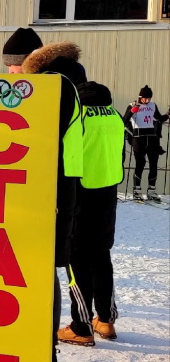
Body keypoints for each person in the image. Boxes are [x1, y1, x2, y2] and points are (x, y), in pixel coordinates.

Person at [19, 39, 86, 362]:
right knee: (43, 273)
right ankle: (45, 357)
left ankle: (43, 357)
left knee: (41, 275)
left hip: (51, 195)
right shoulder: (68, 81)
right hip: (61, 192)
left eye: (14, 68)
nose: (11, 77)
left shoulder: (53, 87)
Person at [57, 81, 124, 346]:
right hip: (108, 192)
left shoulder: (80, 118)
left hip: (80, 193)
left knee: (77, 260)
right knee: (101, 256)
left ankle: (81, 326)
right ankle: (105, 320)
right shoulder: (115, 116)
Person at [122, 85, 169, 202]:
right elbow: (123, 121)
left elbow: (159, 118)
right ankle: (136, 190)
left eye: (149, 98)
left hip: (152, 138)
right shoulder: (133, 105)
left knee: (153, 164)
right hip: (139, 138)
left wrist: (167, 114)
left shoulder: (153, 106)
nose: (147, 101)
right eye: (145, 99)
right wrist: (132, 112)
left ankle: (151, 191)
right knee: (140, 163)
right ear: (140, 97)